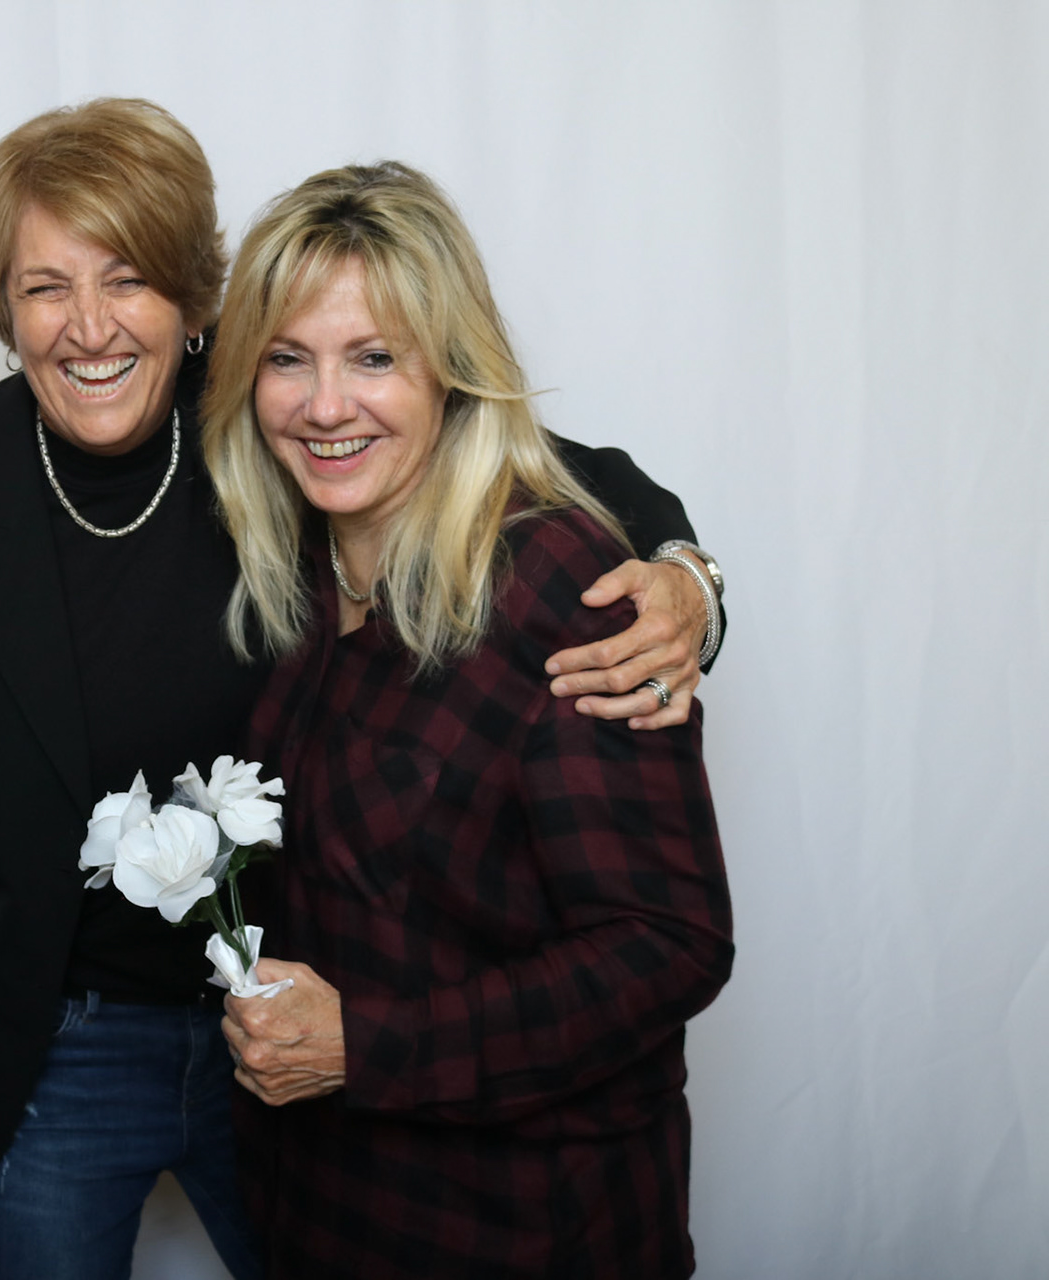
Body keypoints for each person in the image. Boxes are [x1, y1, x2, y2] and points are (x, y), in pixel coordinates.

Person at [0, 102, 721, 1280]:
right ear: (2, 307)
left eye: (129, 279)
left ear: (196, 300)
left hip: (307, 1014)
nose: (90, 326)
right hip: (49, 1042)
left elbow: (519, 456)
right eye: (46, 287)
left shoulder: (277, 414)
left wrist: (684, 574)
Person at [205, 161, 735, 1278]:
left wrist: (366, 1045)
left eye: (374, 358)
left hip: (524, 1226)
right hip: (327, 1211)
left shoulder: (562, 590)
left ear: (451, 370)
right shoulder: (304, 566)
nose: (325, 405)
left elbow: (666, 946)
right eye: (287, 358)